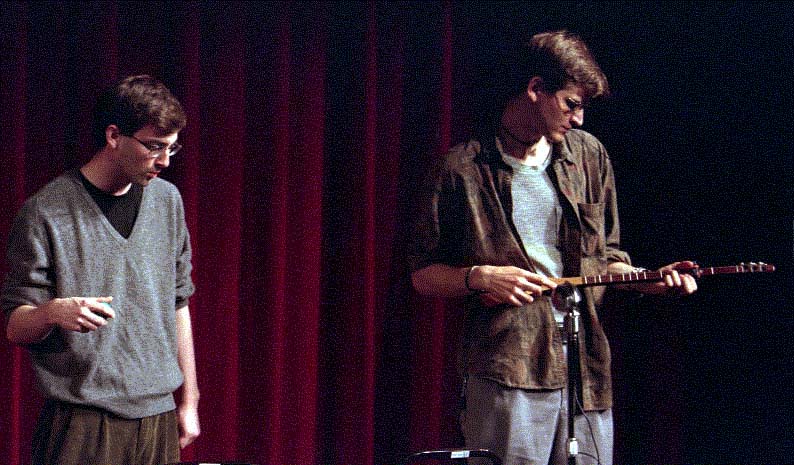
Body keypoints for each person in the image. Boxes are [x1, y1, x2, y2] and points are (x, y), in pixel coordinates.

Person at [408, 31, 697, 465]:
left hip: (586, 368)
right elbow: (423, 275)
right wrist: (479, 277)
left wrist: (646, 280)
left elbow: (606, 260)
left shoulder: (589, 157)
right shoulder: (462, 170)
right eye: (570, 104)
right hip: (509, 367)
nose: (578, 119)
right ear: (535, 88)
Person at [2, 75, 200, 465]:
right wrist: (52, 312)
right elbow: (14, 326)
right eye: (154, 146)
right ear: (113, 136)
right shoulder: (46, 211)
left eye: (172, 148)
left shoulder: (167, 201)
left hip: (158, 418)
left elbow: (179, 303)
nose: (164, 161)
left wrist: (189, 399)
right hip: (83, 423)